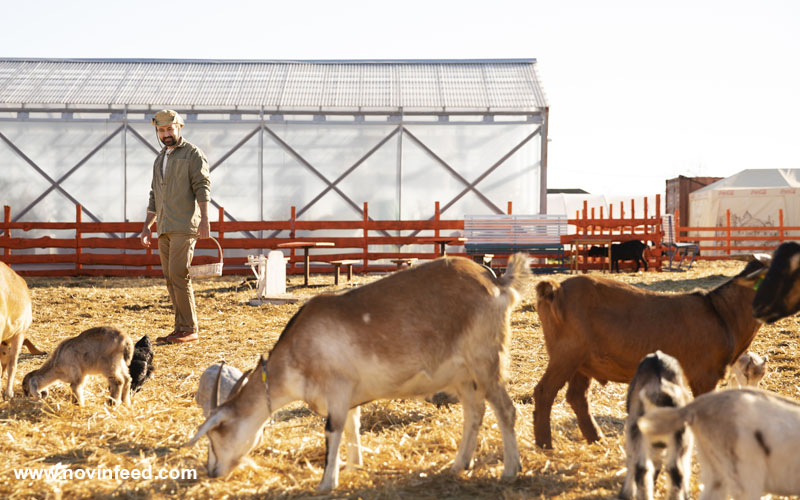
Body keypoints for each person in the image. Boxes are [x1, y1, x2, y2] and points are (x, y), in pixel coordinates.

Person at [140, 110, 211, 344]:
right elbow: (154, 195)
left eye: (170, 129)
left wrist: (205, 220)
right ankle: (179, 327)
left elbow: (202, 186)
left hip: (184, 225)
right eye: (161, 130)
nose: (166, 134)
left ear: (179, 127)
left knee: (180, 275)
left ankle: (190, 327)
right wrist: (147, 226)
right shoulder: (160, 159)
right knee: (170, 277)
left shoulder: (193, 155)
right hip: (164, 226)